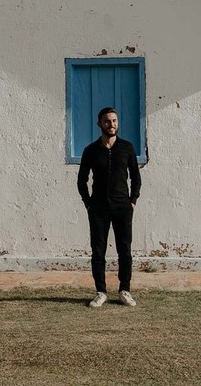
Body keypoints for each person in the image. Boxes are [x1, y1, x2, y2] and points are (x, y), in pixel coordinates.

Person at [76, 106, 141, 307]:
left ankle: (124, 290)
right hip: (98, 208)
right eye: (107, 121)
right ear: (99, 124)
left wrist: (132, 201)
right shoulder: (91, 150)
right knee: (98, 251)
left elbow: (136, 178)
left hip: (123, 206)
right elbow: (81, 180)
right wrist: (88, 203)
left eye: (114, 121)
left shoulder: (127, 148)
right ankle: (101, 292)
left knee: (125, 250)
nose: (111, 124)